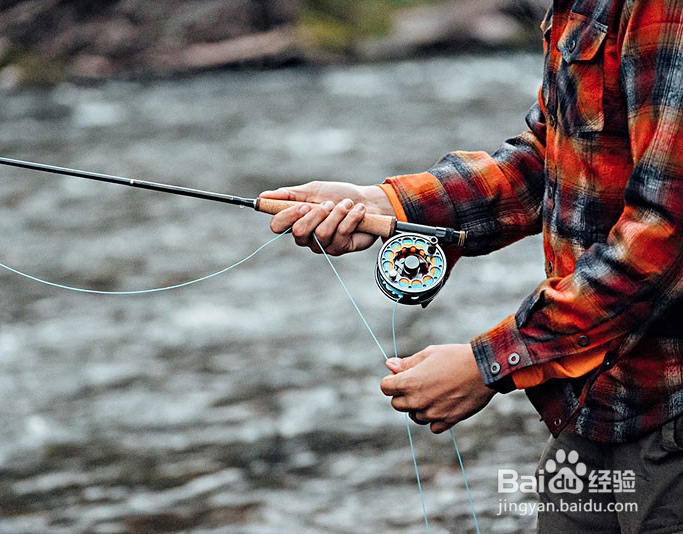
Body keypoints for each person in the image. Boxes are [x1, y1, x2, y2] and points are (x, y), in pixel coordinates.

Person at [260, 1, 683, 532]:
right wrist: (389, 205)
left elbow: (666, 234)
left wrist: (490, 364)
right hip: (592, 404)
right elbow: (549, 161)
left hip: (670, 417)